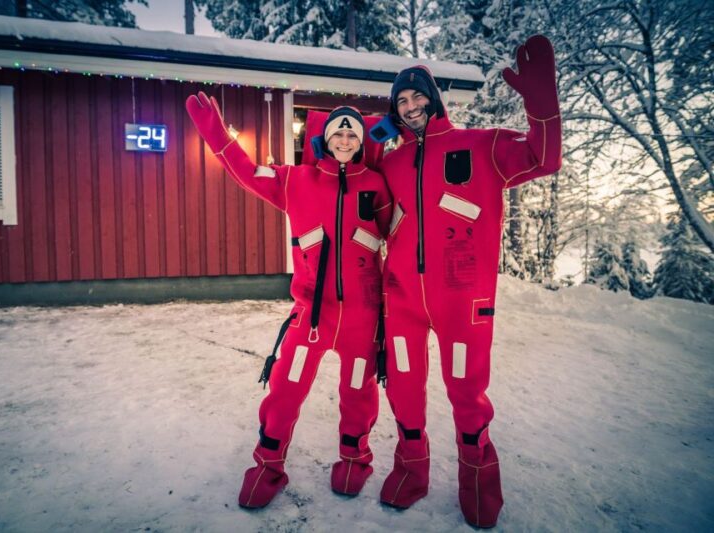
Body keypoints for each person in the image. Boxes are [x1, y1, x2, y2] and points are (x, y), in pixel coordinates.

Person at [369, 35, 562, 527]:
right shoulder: (390, 160)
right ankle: (411, 474)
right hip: (404, 300)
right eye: (401, 102)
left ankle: (479, 487)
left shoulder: (483, 145)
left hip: (463, 303)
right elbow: (356, 172)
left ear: (434, 99)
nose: (410, 107)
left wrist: (541, 105)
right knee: (405, 392)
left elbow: (544, 159)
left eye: (417, 97)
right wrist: (376, 130)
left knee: (467, 397)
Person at [185, 94, 392, 508]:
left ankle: (354, 460)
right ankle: (268, 466)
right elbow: (246, 171)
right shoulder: (296, 180)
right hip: (312, 316)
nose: (346, 137)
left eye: (353, 131)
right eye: (339, 131)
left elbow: (399, 236)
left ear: (361, 138)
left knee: (359, 392)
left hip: (362, 317)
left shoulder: (377, 183)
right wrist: (215, 133)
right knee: (284, 389)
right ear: (326, 140)